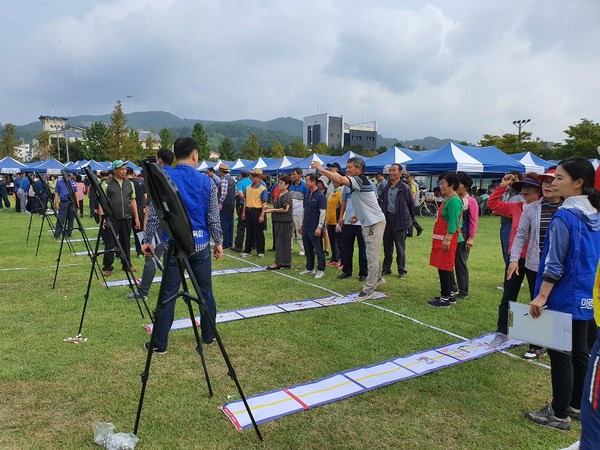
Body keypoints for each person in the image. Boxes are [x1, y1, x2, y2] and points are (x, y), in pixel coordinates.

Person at [526, 157, 600, 431]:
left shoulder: (565, 217)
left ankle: (558, 414)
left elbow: (554, 263)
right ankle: (576, 404)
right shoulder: (595, 214)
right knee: (580, 350)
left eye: (559, 178)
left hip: (563, 294)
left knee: (561, 354)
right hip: (586, 294)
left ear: (578, 183)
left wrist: (542, 296)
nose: (553, 182)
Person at [142, 137, 223, 353]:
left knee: (168, 293)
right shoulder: (207, 181)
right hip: (201, 244)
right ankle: (208, 335)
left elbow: (155, 216)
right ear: (195, 155)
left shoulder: (165, 177)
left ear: (176, 155)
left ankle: (160, 343)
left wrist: (146, 239)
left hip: (175, 245)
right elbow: (213, 217)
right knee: (205, 291)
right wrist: (219, 242)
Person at [311, 157, 386, 301]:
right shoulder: (359, 183)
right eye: (347, 166)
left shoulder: (359, 180)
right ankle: (378, 278)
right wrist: (357, 215)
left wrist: (321, 169)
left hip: (373, 223)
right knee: (373, 252)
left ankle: (369, 289)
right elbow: (366, 201)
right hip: (371, 221)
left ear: (359, 169)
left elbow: (339, 179)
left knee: (371, 254)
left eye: (350, 167)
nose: (347, 169)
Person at [488, 173, 542, 349]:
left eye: (530, 187)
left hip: (536, 260)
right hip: (515, 260)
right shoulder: (516, 207)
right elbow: (492, 204)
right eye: (522, 187)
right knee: (508, 297)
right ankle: (502, 332)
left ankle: (538, 341)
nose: (525, 190)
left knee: (537, 298)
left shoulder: (545, 208)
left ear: (538, 190)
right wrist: (503, 186)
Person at [127, 149, 174, 301]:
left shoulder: (159, 177)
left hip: (161, 225)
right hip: (175, 226)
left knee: (151, 257)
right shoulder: (174, 175)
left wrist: (147, 236)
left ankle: (143, 292)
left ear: (159, 161)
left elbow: (154, 208)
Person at [427, 172, 463, 307]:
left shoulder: (454, 200)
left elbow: (454, 221)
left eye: (442, 183)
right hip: (441, 239)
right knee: (444, 266)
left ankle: (445, 297)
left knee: (444, 267)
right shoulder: (449, 199)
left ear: (451, 185)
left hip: (447, 239)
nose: (440, 186)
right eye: (440, 183)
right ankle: (449, 294)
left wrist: (447, 238)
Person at [99, 160, 140, 277]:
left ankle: (127, 265)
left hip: (126, 217)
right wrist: (103, 217)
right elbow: (102, 201)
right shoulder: (106, 183)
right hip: (112, 218)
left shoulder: (129, 183)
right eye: (121, 169)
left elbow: (133, 200)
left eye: (125, 169)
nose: (124, 171)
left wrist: (136, 217)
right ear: (115, 170)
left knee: (126, 242)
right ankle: (107, 267)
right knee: (110, 243)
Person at [381, 163, 414, 278]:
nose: (391, 173)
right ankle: (386, 268)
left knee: (400, 247)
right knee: (387, 246)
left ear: (400, 173)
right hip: (387, 219)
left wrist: (410, 222)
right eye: (390, 170)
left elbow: (411, 205)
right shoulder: (386, 187)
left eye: (394, 170)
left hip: (400, 220)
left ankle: (401, 270)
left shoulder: (404, 188)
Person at [450, 172, 479, 299]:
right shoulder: (453, 199)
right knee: (449, 261)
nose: (456, 186)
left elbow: (473, 220)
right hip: (452, 235)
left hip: (464, 236)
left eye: (459, 183)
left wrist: (471, 237)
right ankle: (452, 287)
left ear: (466, 186)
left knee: (460, 263)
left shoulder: (471, 202)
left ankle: (463, 291)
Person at [336, 186, 368, 281]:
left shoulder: (367, 184)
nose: (348, 171)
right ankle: (347, 271)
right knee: (347, 248)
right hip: (348, 221)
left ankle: (363, 273)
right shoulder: (346, 186)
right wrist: (341, 217)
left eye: (350, 170)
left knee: (363, 249)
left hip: (362, 222)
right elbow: (344, 201)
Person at [299, 173, 327, 279]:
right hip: (306, 226)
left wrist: (319, 226)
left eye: (307, 180)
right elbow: (303, 210)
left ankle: (321, 269)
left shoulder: (320, 196)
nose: (305, 182)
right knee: (308, 248)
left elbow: (323, 212)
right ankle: (309, 267)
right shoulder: (307, 195)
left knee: (318, 249)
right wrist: (301, 224)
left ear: (313, 182)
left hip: (315, 227)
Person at [263, 175, 293, 270]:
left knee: (282, 242)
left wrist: (272, 210)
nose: (279, 184)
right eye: (279, 182)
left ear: (287, 185)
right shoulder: (280, 194)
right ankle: (284, 262)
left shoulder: (287, 195)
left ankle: (279, 262)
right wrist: (270, 208)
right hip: (278, 221)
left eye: (281, 183)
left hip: (284, 221)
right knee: (281, 242)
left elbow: (285, 209)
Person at [241, 168, 268, 257]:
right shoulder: (248, 188)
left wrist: (262, 215)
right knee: (249, 231)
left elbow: (264, 203)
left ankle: (261, 251)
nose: (253, 178)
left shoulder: (262, 189)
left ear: (260, 178)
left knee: (259, 232)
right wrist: (244, 212)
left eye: (255, 176)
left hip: (257, 211)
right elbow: (245, 200)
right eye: (252, 176)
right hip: (249, 210)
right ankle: (247, 250)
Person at [127, 167, 146, 258]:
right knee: (139, 231)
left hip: (127, 210)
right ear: (133, 173)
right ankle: (141, 251)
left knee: (125, 233)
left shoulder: (125, 183)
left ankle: (122, 253)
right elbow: (145, 196)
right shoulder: (140, 182)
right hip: (139, 209)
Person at [289, 168, 308, 256]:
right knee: (290, 231)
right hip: (290, 211)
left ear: (300, 175)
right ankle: (290, 248)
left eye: (294, 174)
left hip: (300, 211)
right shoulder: (290, 185)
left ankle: (302, 249)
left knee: (299, 231)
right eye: (292, 174)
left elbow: (306, 200)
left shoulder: (304, 186)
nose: (292, 176)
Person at [53, 172, 77, 239]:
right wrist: (56, 203)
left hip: (72, 202)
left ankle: (69, 233)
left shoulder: (73, 182)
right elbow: (56, 193)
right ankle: (57, 234)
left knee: (71, 219)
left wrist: (77, 204)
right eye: (68, 175)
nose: (69, 177)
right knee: (61, 219)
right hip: (63, 203)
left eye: (70, 175)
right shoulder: (59, 182)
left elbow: (76, 192)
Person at [217, 163, 236, 249]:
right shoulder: (232, 179)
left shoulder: (224, 179)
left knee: (224, 224)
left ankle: (225, 243)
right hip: (232, 203)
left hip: (225, 204)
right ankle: (230, 242)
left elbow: (223, 193)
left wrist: (220, 203)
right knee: (230, 224)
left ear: (221, 171)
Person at [325, 180, 343, 267]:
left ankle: (341, 260)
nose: (334, 182)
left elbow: (342, 207)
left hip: (337, 220)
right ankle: (335, 259)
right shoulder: (332, 192)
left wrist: (340, 220)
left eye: (336, 181)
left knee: (340, 241)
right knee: (332, 240)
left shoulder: (341, 192)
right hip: (330, 219)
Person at [233, 169, 252, 252]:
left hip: (243, 205)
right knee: (251, 226)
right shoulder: (251, 182)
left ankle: (238, 245)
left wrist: (244, 199)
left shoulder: (240, 183)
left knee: (241, 225)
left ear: (241, 175)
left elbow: (240, 193)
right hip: (252, 206)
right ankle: (252, 244)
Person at [406, 173, 423, 237]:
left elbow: (413, 193)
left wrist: (410, 202)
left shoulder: (412, 184)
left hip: (413, 204)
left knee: (410, 218)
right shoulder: (412, 184)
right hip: (414, 204)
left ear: (412, 177)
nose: (406, 179)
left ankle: (419, 228)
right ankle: (410, 232)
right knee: (410, 218)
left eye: (408, 177)